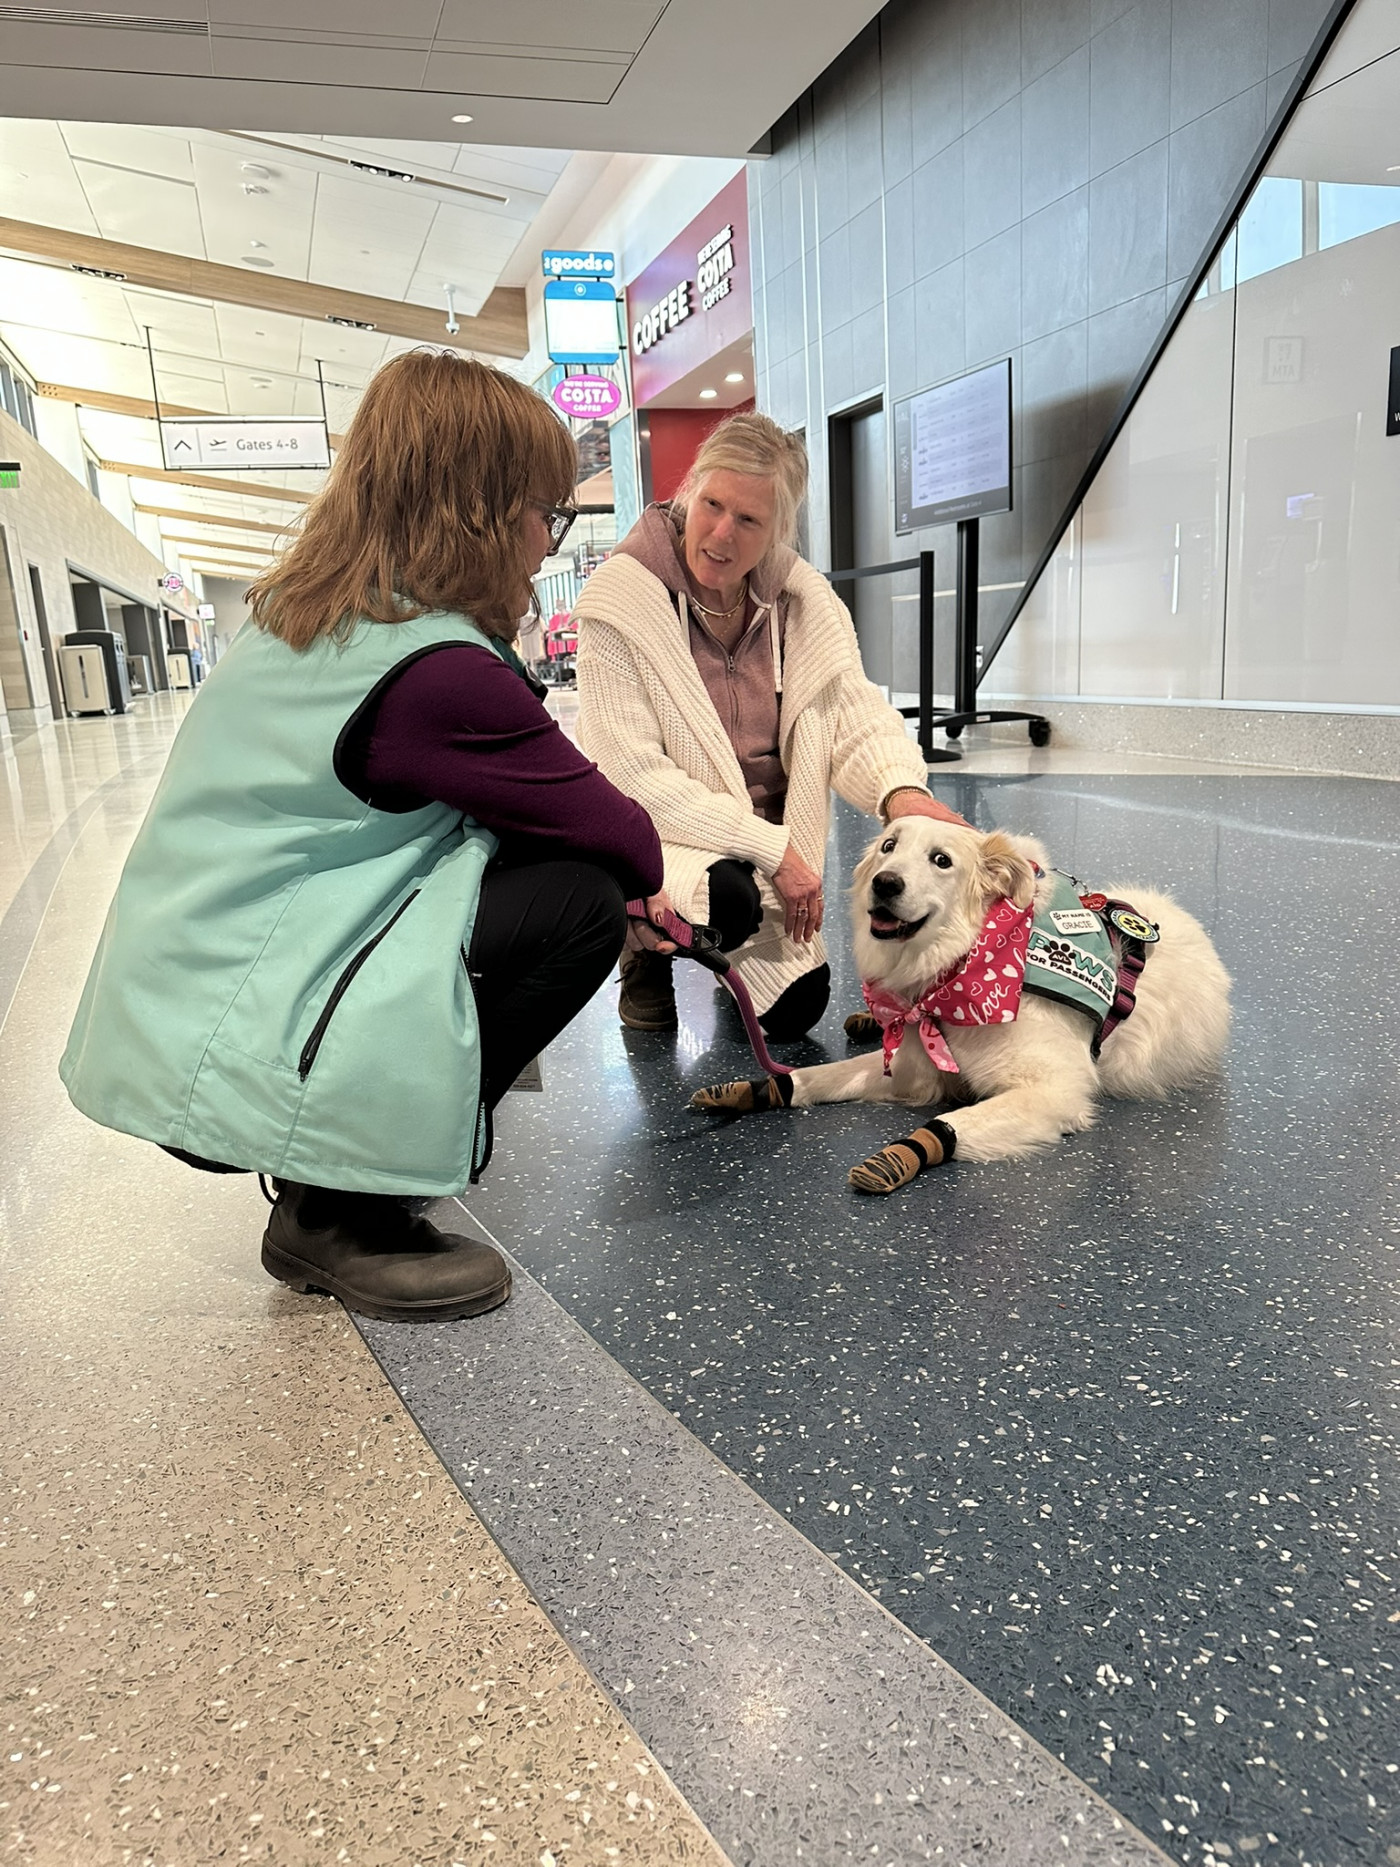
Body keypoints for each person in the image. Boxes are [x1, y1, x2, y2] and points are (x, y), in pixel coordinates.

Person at [60, 351, 673, 1325]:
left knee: (524, 864)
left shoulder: (307, 618)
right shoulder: (437, 669)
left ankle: (336, 1176)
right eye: (541, 512)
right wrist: (651, 892)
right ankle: (341, 1211)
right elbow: (622, 835)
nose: (542, 541)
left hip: (178, 1004)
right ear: (479, 510)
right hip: (230, 1033)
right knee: (578, 904)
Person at [573, 411, 965, 1041]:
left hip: (769, 846)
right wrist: (772, 849)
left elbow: (851, 712)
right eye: (712, 505)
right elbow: (630, 774)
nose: (721, 534)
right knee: (728, 901)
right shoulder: (622, 600)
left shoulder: (801, 602)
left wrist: (901, 791)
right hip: (662, 835)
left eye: (749, 520)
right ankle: (641, 942)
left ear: (779, 532)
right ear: (690, 491)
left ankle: (723, 942)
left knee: (794, 1013)